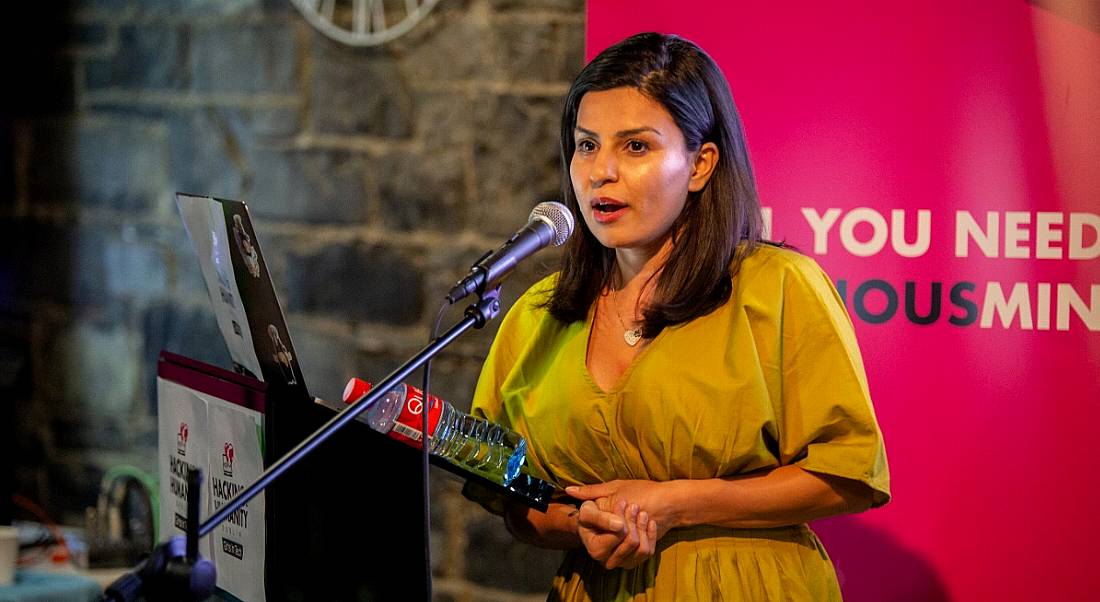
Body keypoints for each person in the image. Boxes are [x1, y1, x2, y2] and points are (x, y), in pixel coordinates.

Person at [469, 32, 889, 600]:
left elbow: (848, 477)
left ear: (700, 163)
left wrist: (675, 504)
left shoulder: (777, 287)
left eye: (635, 147)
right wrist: (581, 526)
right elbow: (520, 504)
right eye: (587, 145)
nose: (601, 172)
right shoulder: (537, 316)